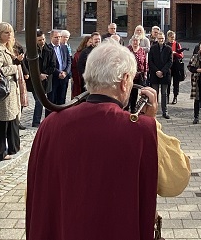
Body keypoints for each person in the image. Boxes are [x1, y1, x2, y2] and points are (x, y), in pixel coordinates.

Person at [26, 40, 191, 240]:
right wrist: (152, 124)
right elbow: (176, 180)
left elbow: (35, 194)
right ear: (125, 80)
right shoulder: (140, 129)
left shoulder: (50, 124)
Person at [0, 22, 22, 161]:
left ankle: (11, 148)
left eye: (10, 32)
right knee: (1, 122)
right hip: (4, 91)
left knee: (11, 120)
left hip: (11, 90)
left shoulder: (6, 48)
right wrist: (14, 68)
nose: (9, 35)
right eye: (5, 33)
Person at [24, 30, 57, 127]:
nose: (42, 41)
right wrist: (38, 75)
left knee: (45, 101)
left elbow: (53, 65)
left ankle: (44, 120)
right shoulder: (31, 51)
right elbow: (27, 66)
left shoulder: (50, 50)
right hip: (35, 81)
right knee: (39, 101)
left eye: (43, 39)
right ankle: (36, 122)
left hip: (46, 80)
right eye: (39, 40)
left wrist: (45, 74)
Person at [148, 32, 173, 119]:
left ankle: (164, 111)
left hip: (165, 74)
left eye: (162, 38)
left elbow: (170, 62)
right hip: (155, 74)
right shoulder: (153, 48)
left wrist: (162, 71)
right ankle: (154, 110)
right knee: (155, 93)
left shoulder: (169, 49)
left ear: (164, 39)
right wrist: (157, 71)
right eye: (159, 38)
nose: (161, 40)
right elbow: (150, 61)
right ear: (157, 39)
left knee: (164, 93)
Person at [48, 29, 71, 110]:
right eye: (56, 37)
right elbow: (48, 65)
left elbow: (69, 61)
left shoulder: (64, 47)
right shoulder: (48, 48)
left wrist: (65, 72)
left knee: (62, 101)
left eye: (59, 37)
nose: (58, 39)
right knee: (52, 101)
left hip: (64, 78)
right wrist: (58, 73)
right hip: (53, 79)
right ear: (51, 37)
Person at [127, 35, 148, 112]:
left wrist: (145, 72)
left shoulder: (141, 50)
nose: (135, 42)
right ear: (131, 41)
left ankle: (133, 109)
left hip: (139, 75)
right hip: (129, 75)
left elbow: (145, 62)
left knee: (135, 92)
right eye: (134, 40)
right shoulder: (128, 49)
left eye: (137, 41)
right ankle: (126, 108)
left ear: (139, 42)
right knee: (128, 92)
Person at [166, 30, 185, 105]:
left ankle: (175, 97)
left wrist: (175, 53)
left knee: (176, 82)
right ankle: (167, 97)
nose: (172, 39)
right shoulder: (166, 45)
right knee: (167, 82)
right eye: (171, 37)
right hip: (168, 66)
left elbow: (181, 55)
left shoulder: (177, 44)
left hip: (176, 65)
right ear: (168, 38)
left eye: (173, 37)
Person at [70, 35, 90, 100]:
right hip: (80, 79)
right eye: (90, 42)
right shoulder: (79, 54)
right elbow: (75, 67)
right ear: (85, 43)